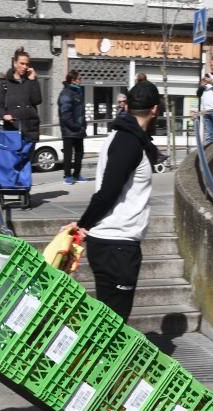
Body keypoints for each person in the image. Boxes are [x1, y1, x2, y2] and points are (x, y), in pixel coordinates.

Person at [66, 80, 161, 322]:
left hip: (113, 243)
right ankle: (94, 359)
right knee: (114, 322)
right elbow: (108, 192)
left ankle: (93, 359)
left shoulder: (124, 136)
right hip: (116, 245)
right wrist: (83, 224)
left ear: (127, 106)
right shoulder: (128, 142)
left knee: (108, 320)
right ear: (155, 109)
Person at [0, 47, 42, 152]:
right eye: (22, 63)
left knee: (27, 164)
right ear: (15, 63)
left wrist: (33, 80)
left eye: (27, 64)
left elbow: (37, 100)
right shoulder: (5, 83)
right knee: (13, 163)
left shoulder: (31, 80)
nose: (25, 67)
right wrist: (4, 115)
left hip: (30, 130)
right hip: (13, 130)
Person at [58, 69, 87, 185]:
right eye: (79, 78)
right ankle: (67, 175)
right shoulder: (66, 93)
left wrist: (83, 125)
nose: (81, 80)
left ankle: (77, 174)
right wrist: (75, 126)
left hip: (79, 129)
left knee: (80, 153)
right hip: (69, 130)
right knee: (68, 154)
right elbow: (65, 114)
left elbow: (80, 112)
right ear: (73, 80)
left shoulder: (78, 92)